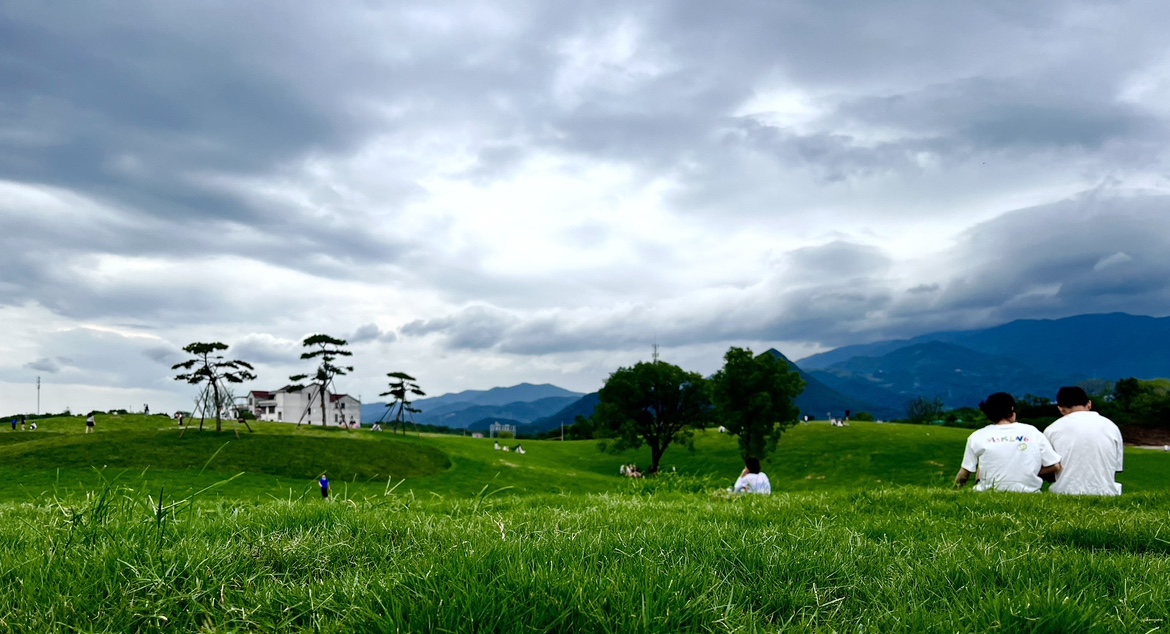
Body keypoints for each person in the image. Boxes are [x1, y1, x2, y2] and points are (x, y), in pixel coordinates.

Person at [954, 392, 1060, 492]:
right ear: (1012, 409)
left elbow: (965, 473)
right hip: (1028, 492)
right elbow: (1055, 466)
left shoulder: (977, 436)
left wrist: (954, 490)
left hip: (987, 492)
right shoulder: (1032, 431)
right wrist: (1029, 472)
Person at [1043, 386, 1124, 496]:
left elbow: (1048, 468)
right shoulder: (1111, 427)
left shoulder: (1052, 430)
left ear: (1061, 409)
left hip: (1064, 493)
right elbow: (1116, 468)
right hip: (1107, 494)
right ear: (1089, 404)